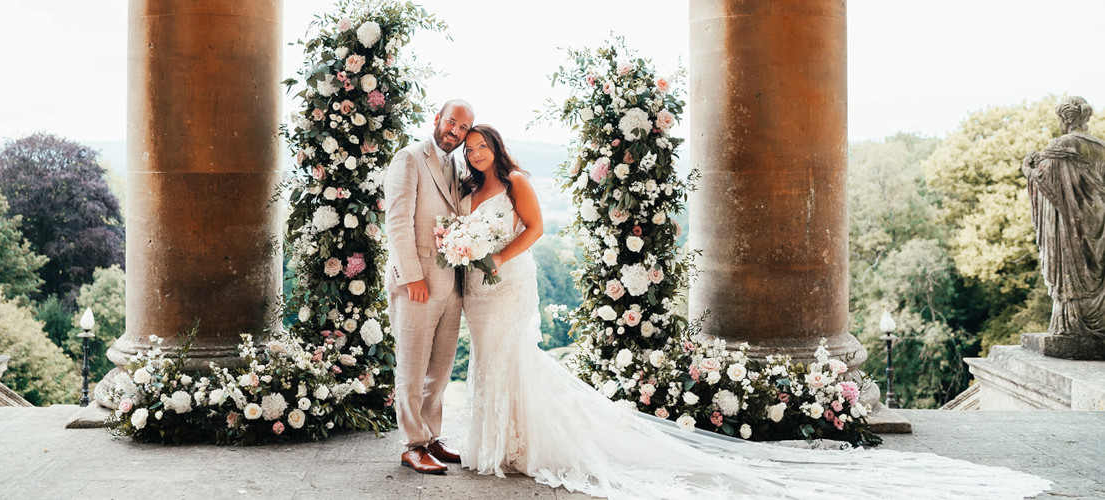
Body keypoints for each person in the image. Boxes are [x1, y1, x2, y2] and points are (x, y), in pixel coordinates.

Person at [457, 124, 1051, 499]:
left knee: (515, 358)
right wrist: (468, 257)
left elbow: (534, 230)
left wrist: (497, 259)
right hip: (480, 291)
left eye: (483, 144)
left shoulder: (514, 182)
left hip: (509, 284)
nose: (478, 153)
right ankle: (492, 441)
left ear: (496, 146)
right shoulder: (469, 190)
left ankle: (519, 443)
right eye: (471, 148)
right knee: (489, 361)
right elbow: (461, 236)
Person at [384, 99, 474, 474]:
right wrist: (412, 277)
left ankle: (432, 436)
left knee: (439, 368)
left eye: (463, 128)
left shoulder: (457, 163)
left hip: (450, 283)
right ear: (437, 119)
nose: (455, 131)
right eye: (451, 122)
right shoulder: (408, 158)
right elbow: (398, 222)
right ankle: (412, 444)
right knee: (412, 365)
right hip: (417, 284)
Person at [1022, 96, 1105, 338]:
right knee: (1098, 272)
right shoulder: (1101, 148)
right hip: (1100, 220)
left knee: (1074, 271)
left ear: (1064, 118)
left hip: (1073, 225)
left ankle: (1070, 325)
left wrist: (1028, 169)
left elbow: (1046, 181)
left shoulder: (1061, 146)